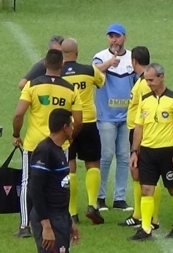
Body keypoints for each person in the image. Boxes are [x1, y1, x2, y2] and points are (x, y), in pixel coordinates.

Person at [12, 49, 83, 238]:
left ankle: (25, 225)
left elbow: (19, 114)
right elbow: (79, 120)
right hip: (61, 146)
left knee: (28, 182)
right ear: (62, 66)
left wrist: (16, 134)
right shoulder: (70, 89)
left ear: (45, 64)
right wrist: (71, 136)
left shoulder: (32, 85)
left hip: (34, 144)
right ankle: (60, 221)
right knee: (60, 183)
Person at [128, 63, 173, 241]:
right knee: (146, 189)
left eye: (151, 80)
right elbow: (138, 127)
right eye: (146, 80)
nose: (148, 83)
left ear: (161, 77)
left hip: (167, 152)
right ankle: (146, 228)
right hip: (147, 152)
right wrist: (134, 151)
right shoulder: (144, 100)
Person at [60, 38, 106, 224]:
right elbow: (101, 82)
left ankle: (71, 212)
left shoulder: (59, 73)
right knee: (92, 163)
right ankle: (92, 204)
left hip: (67, 125)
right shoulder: (89, 70)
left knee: (69, 165)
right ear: (77, 53)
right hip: (88, 122)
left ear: (63, 54)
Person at [93, 23, 137, 211]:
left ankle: (119, 197)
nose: (114, 40)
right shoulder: (101, 57)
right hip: (106, 116)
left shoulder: (131, 59)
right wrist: (108, 64)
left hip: (126, 117)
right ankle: (100, 196)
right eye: (111, 36)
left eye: (117, 36)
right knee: (106, 155)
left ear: (124, 38)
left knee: (124, 157)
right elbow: (92, 73)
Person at [118, 46, 162, 229]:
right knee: (137, 173)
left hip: (142, 132)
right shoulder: (142, 80)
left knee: (147, 175)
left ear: (133, 61)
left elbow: (149, 107)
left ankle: (152, 218)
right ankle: (138, 214)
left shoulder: (145, 83)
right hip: (136, 130)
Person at [29, 108, 80, 253]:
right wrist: (46, 225)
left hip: (60, 216)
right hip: (49, 217)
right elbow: (35, 189)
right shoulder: (44, 151)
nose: (73, 128)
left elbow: (60, 188)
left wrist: (69, 222)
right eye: (71, 124)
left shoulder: (58, 149)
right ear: (65, 127)